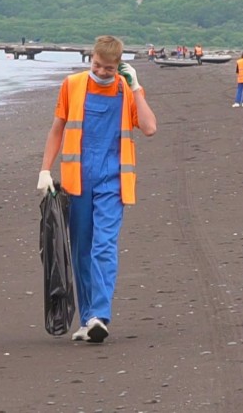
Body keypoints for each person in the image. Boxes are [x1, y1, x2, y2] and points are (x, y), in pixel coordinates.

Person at [37, 36, 157, 344]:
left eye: (109, 68)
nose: (102, 72)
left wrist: (136, 87)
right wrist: (44, 170)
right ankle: (88, 316)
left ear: (119, 65)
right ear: (90, 59)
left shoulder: (126, 90)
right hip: (78, 179)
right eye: (97, 66)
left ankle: (100, 315)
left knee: (104, 245)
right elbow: (57, 129)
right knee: (81, 250)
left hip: (113, 180)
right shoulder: (73, 85)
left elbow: (149, 127)